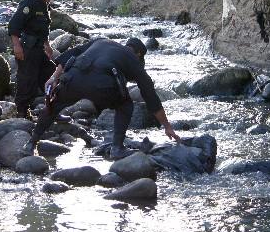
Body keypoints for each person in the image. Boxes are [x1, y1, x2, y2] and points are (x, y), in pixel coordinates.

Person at [23, 37, 181, 160]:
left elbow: (71, 55)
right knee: (125, 105)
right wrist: (167, 126)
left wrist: (53, 78)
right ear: (139, 54)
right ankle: (117, 148)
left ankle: (31, 143)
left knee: (54, 104)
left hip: (72, 79)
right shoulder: (132, 59)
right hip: (102, 87)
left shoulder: (101, 41)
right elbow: (150, 95)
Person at [8, 0, 61, 120]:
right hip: (27, 48)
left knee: (51, 76)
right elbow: (14, 25)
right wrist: (16, 46)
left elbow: (42, 29)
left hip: (39, 49)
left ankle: (52, 110)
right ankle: (22, 113)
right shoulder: (29, 3)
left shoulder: (44, 4)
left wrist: (47, 46)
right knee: (26, 81)